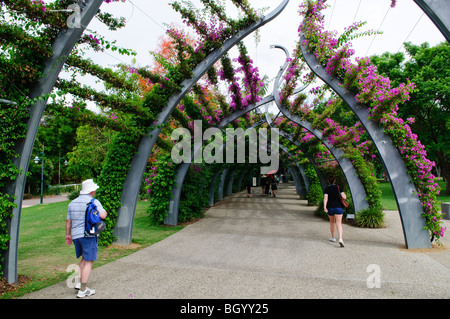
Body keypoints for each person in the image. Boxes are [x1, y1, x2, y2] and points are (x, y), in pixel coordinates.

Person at [66, 179, 107, 298]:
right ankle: (83, 290)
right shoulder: (93, 201)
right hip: (89, 235)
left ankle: (78, 283)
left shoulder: (72, 203)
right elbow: (103, 215)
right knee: (89, 261)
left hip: (76, 236)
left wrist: (68, 234)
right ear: (91, 191)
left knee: (84, 259)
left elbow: (69, 221)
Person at [323, 175, 346, 247]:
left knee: (332, 222)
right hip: (338, 207)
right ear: (335, 180)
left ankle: (333, 237)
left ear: (328, 181)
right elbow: (344, 197)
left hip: (330, 208)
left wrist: (324, 207)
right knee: (339, 223)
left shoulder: (326, 189)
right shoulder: (339, 188)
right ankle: (340, 239)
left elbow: (325, 198)